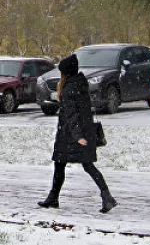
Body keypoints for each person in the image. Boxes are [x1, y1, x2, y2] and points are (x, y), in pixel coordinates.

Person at [38, 53, 117, 213]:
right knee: (80, 165)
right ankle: (105, 196)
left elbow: (71, 115)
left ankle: (54, 198)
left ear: (65, 73)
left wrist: (77, 136)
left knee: (65, 165)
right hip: (83, 131)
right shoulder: (81, 84)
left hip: (70, 135)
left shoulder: (68, 90)